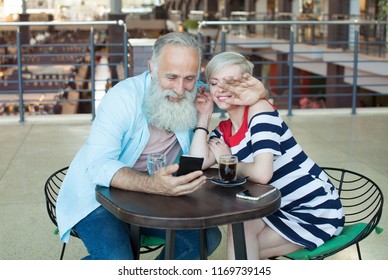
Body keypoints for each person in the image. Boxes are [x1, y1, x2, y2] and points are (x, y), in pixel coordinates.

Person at [56, 33, 266, 260]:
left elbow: (237, 97)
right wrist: (153, 185)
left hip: (153, 201)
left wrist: (258, 94)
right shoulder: (122, 98)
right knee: (119, 260)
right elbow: (98, 166)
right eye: (172, 77)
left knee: (206, 238)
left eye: (189, 78)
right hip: (98, 198)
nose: (179, 89)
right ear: (152, 68)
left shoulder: (199, 94)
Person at [191, 51, 345, 260]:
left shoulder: (260, 111)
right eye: (214, 83)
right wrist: (204, 116)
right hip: (278, 207)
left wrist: (226, 161)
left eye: (230, 83)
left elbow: (263, 174)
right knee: (240, 231)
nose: (221, 90)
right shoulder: (224, 129)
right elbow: (197, 163)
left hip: (315, 209)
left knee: (242, 250)